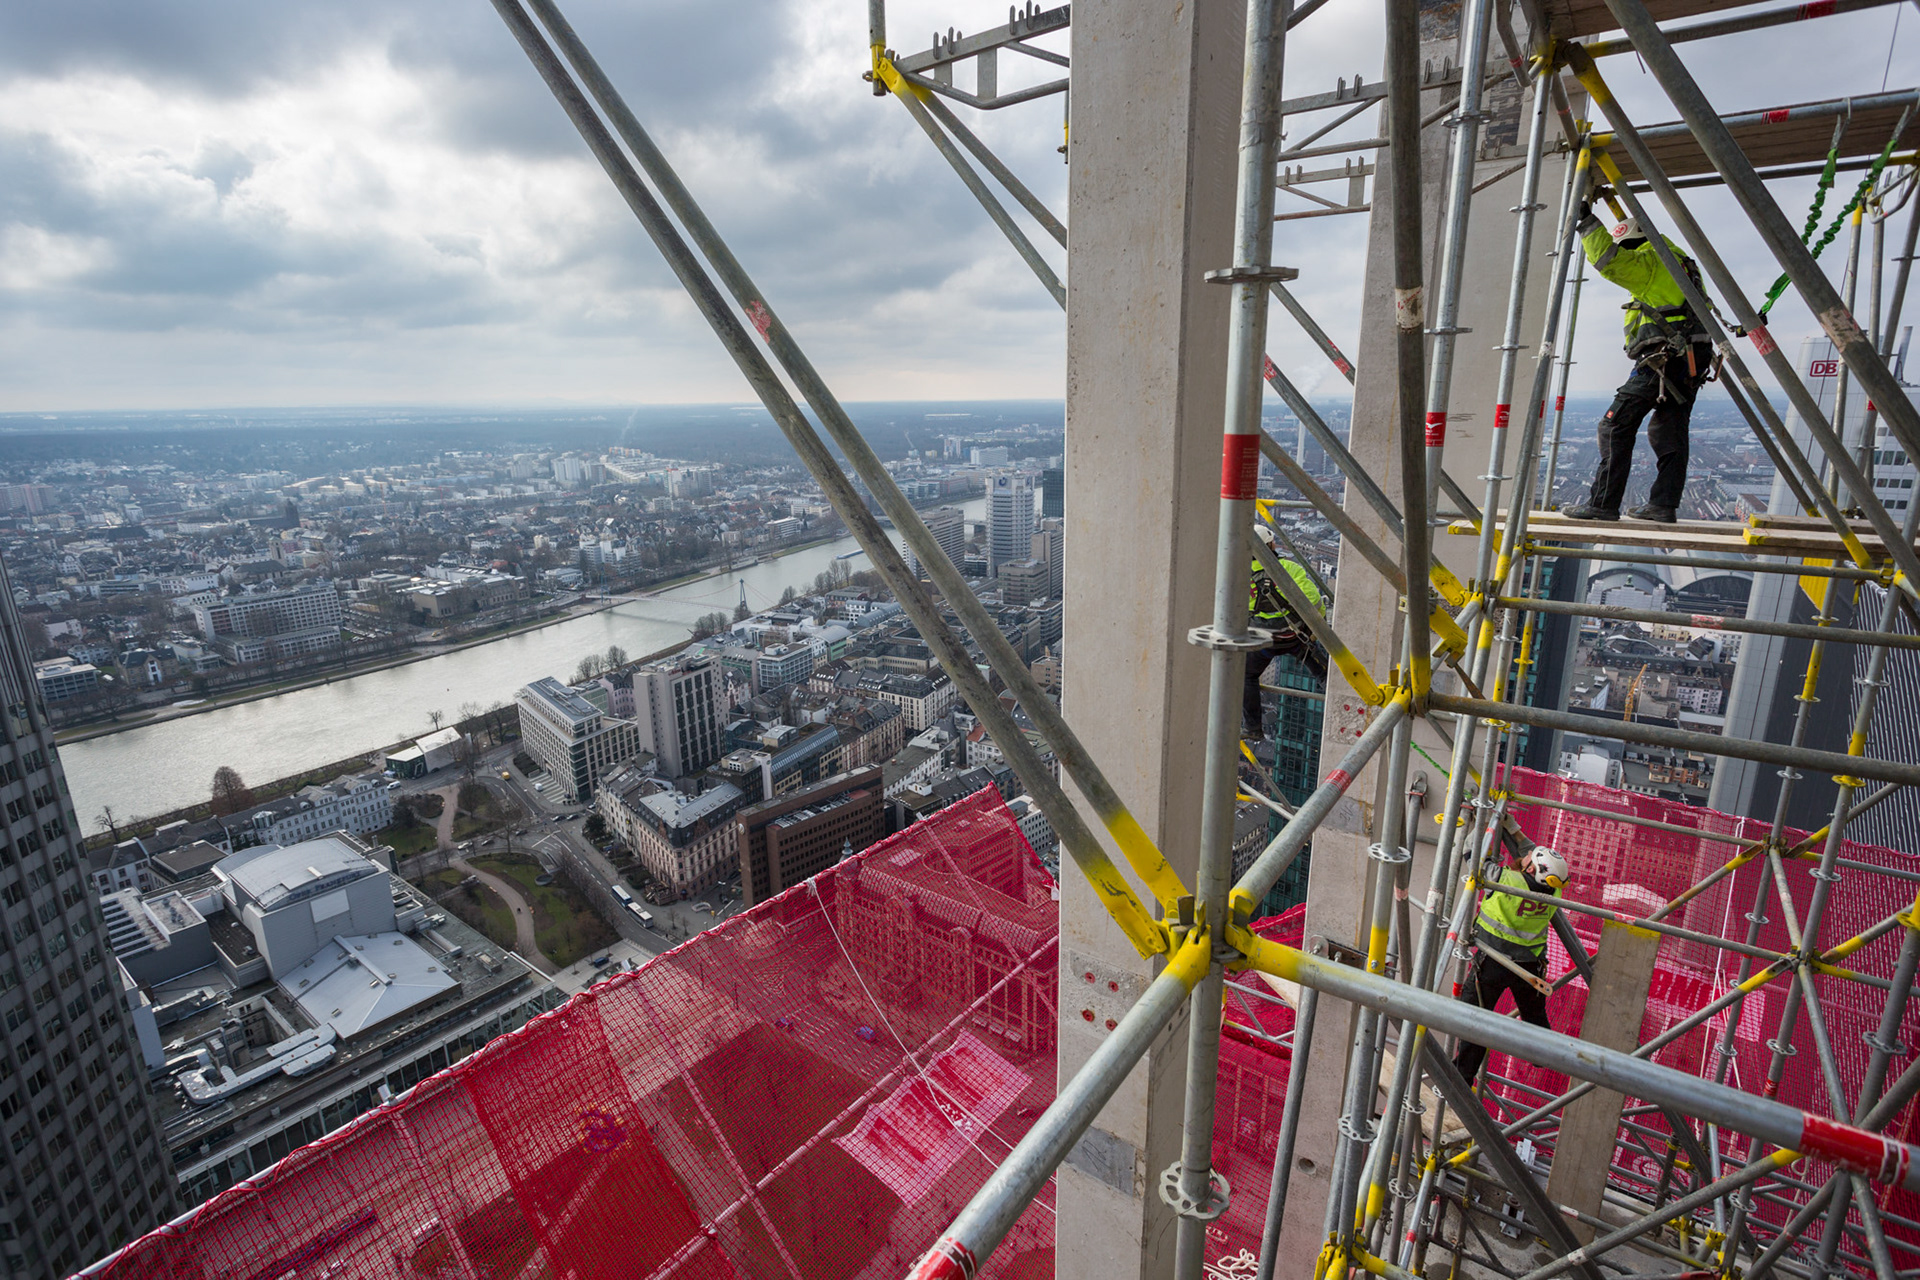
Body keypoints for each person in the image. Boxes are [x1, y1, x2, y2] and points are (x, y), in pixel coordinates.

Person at [1562, 194, 1715, 525]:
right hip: (1690, 358)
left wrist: (1587, 223)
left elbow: (1610, 263)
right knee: (1668, 430)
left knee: (1614, 425)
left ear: (1635, 243)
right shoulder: (1679, 262)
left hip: (1665, 359)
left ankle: (1602, 504)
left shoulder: (1651, 260)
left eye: (1627, 247)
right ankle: (1663, 505)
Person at [1452, 837, 1571, 1086]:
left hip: (1493, 962)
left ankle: (1462, 1075)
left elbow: (1471, 854)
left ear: (1530, 869)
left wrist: (1475, 825)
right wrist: (1511, 826)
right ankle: (1542, 1054)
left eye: (1530, 859)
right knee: (1534, 1016)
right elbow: (1529, 852)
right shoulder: (1554, 890)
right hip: (1529, 967)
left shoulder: (1505, 879)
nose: (1526, 855)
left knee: (1474, 1016)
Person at [1244, 525, 1330, 740]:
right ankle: (1337, 694)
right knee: (1324, 671)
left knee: (1247, 677)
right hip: (1294, 638)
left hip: (1262, 644)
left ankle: (1253, 728)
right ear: (1271, 545)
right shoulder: (1289, 568)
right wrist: (1314, 630)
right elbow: (1314, 602)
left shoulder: (1238, 576)